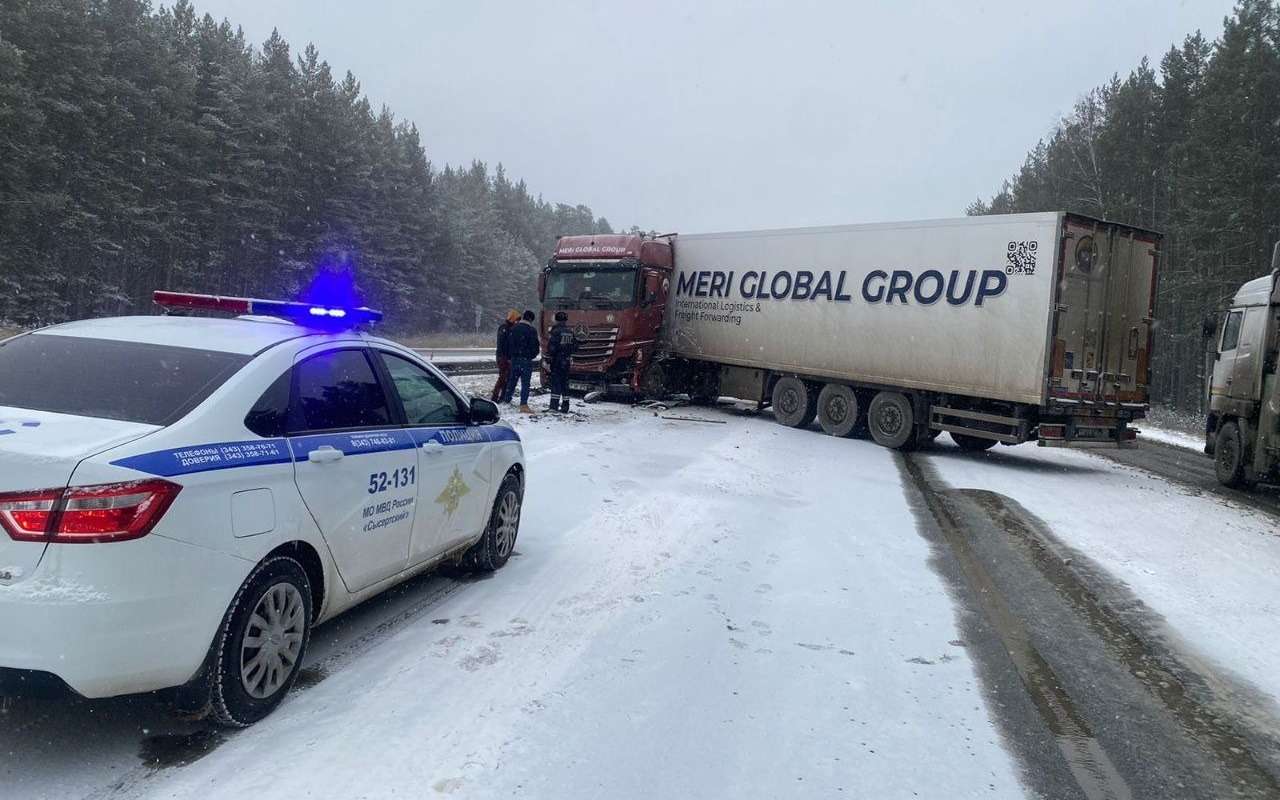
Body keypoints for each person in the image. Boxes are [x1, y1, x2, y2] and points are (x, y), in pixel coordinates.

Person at [505, 309, 540, 413]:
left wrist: (511, 356)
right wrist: (531, 355)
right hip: (526, 360)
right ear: (531, 320)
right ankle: (523, 404)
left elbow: (509, 344)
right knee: (525, 383)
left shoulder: (514, 328)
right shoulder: (531, 330)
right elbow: (535, 347)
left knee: (512, 380)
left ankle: (507, 399)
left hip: (515, 359)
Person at [546, 311, 576, 413]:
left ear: (556, 320)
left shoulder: (555, 331)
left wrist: (550, 357)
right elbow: (575, 347)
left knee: (556, 383)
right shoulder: (570, 332)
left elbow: (552, 348)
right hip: (566, 361)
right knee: (565, 384)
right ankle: (565, 406)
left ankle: (553, 407)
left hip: (557, 361)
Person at [491, 309, 519, 402]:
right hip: (504, 358)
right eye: (516, 319)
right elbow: (503, 345)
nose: (517, 322)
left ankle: (502, 396)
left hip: (504, 357)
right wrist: (506, 357)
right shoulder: (506, 329)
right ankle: (495, 397)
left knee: (505, 378)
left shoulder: (506, 328)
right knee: (503, 378)